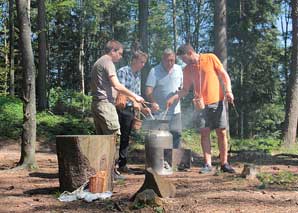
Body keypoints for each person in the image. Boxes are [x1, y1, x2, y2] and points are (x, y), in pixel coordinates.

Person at [166, 44, 235, 173]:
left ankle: (224, 163)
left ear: (191, 53)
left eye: (184, 59)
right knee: (204, 132)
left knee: (222, 132)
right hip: (200, 105)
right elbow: (185, 90)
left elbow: (224, 75)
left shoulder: (210, 58)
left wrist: (229, 91)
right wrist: (174, 97)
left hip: (217, 101)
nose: (183, 62)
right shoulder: (186, 70)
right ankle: (208, 164)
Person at [90, 40, 144, 136]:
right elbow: (117, 85)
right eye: (119, 53)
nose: (121, 56)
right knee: (114, 138)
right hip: (105, 105)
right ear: (112, 51)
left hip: (97, 104)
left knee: (102, 139)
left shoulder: (99, 62)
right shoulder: (108, 62)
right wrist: (135, 96)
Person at [116, 50, 150, 173]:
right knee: (120, 137)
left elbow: (137, 95)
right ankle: (117, 165)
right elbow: (122, 90)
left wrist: (142, 108)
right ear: (134, 60)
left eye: (144, 63)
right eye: (141, 62)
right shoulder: (123, 72)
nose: (143, 65)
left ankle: (122, 165)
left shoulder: (137, 75)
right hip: (121, 108)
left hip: (130, 110)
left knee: (126, 137)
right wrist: (135, 99)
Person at [146, 48, 183, 148]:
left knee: (176, 135)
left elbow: (183, 89)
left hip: (176, 111)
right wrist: (153, 102)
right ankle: (160, 160)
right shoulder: (154, 71)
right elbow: (148, 90)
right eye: (168, 60)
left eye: (172, 60)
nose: (170, 63)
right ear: (163, 59)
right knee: (160, 137)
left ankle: (174, 161)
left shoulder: (179, 69)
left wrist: (175, 96)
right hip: (160, 112)